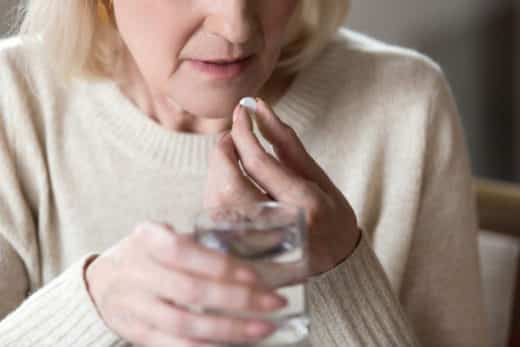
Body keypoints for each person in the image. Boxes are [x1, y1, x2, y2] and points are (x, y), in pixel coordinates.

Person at [0, 0, 490, 346]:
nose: (235, 24)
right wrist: (95, 303)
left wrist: (340, 271)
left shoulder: (403, 103)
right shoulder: (15, 99)